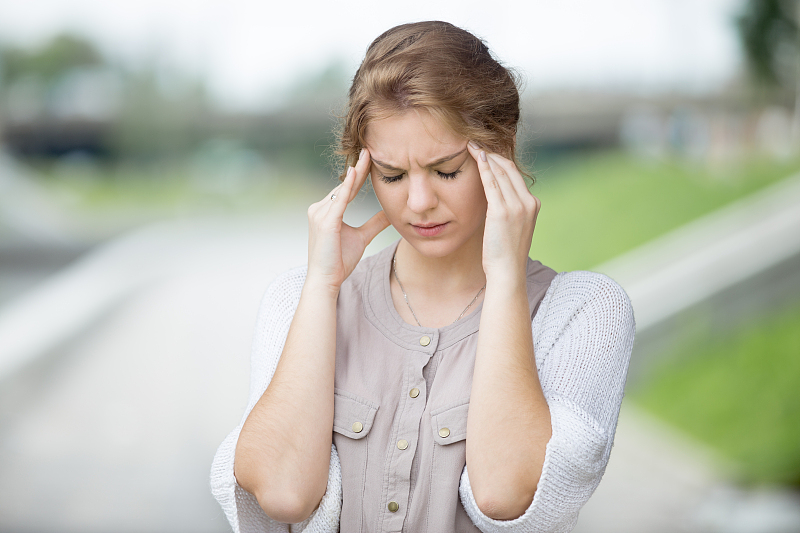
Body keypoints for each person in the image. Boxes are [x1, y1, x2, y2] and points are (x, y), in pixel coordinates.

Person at [210, 21, 635, 533]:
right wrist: (323, 287)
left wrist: (504, 278)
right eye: (391, 176)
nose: (418, 203)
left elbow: (504, 492)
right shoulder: (299, 300)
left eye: (446, 170)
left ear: (500, 146)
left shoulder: (581, 311)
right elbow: (283, 492)